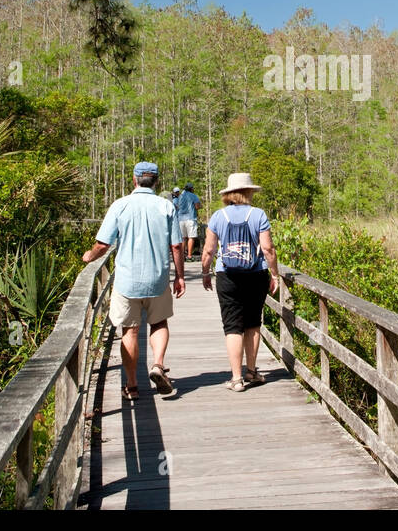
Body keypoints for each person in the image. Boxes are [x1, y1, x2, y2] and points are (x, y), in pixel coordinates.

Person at [83, 161, 184, 401]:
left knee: (130, 330)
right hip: (157, 278)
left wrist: (89, 256)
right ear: (157, 181)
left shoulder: (120, 205)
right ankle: (158, 365)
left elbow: (103, 244)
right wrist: (179, 277)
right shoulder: (166, 206)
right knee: (159, 323)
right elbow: (177, 246)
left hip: (128, 281)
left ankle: (131, 385)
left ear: (134, 179)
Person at [199, 172, 280, 392]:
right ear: (249, 192)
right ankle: (252, 372)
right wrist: (275, 274)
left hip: (227, 275)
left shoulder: (218, 216)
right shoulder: (259, 215)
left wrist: (205, 272)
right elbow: (268, 249)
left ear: (229, 193)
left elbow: (209, 249)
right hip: (256, 274)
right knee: (253, 322)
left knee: (232, 326)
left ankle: (236, 379)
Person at [175, 183, 202, 257]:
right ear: (191, 189)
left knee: (183, 238)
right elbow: (197, 206)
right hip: (190, 218)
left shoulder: (180, 196)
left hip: (180, 219)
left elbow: (177, 206)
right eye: (193, 188)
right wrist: (200, 206)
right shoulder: (193, 196)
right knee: (191, 237)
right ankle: (189, 255)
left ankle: (182, 255)